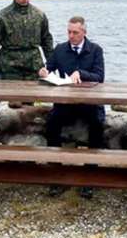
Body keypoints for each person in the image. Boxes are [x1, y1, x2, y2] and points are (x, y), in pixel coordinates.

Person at [38, 16, 104, 199]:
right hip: (65, 102)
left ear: (84, 32)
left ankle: (89, 177)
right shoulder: (60, 49)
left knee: (97, 126)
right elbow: (48, 69)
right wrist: (43, 71)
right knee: (51, 123)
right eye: (69, 32)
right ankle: (57, 174)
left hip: (88, 103)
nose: (71, 36)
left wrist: (81, 73)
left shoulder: (95, 50)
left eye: (75, 32)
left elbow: (100, 76)